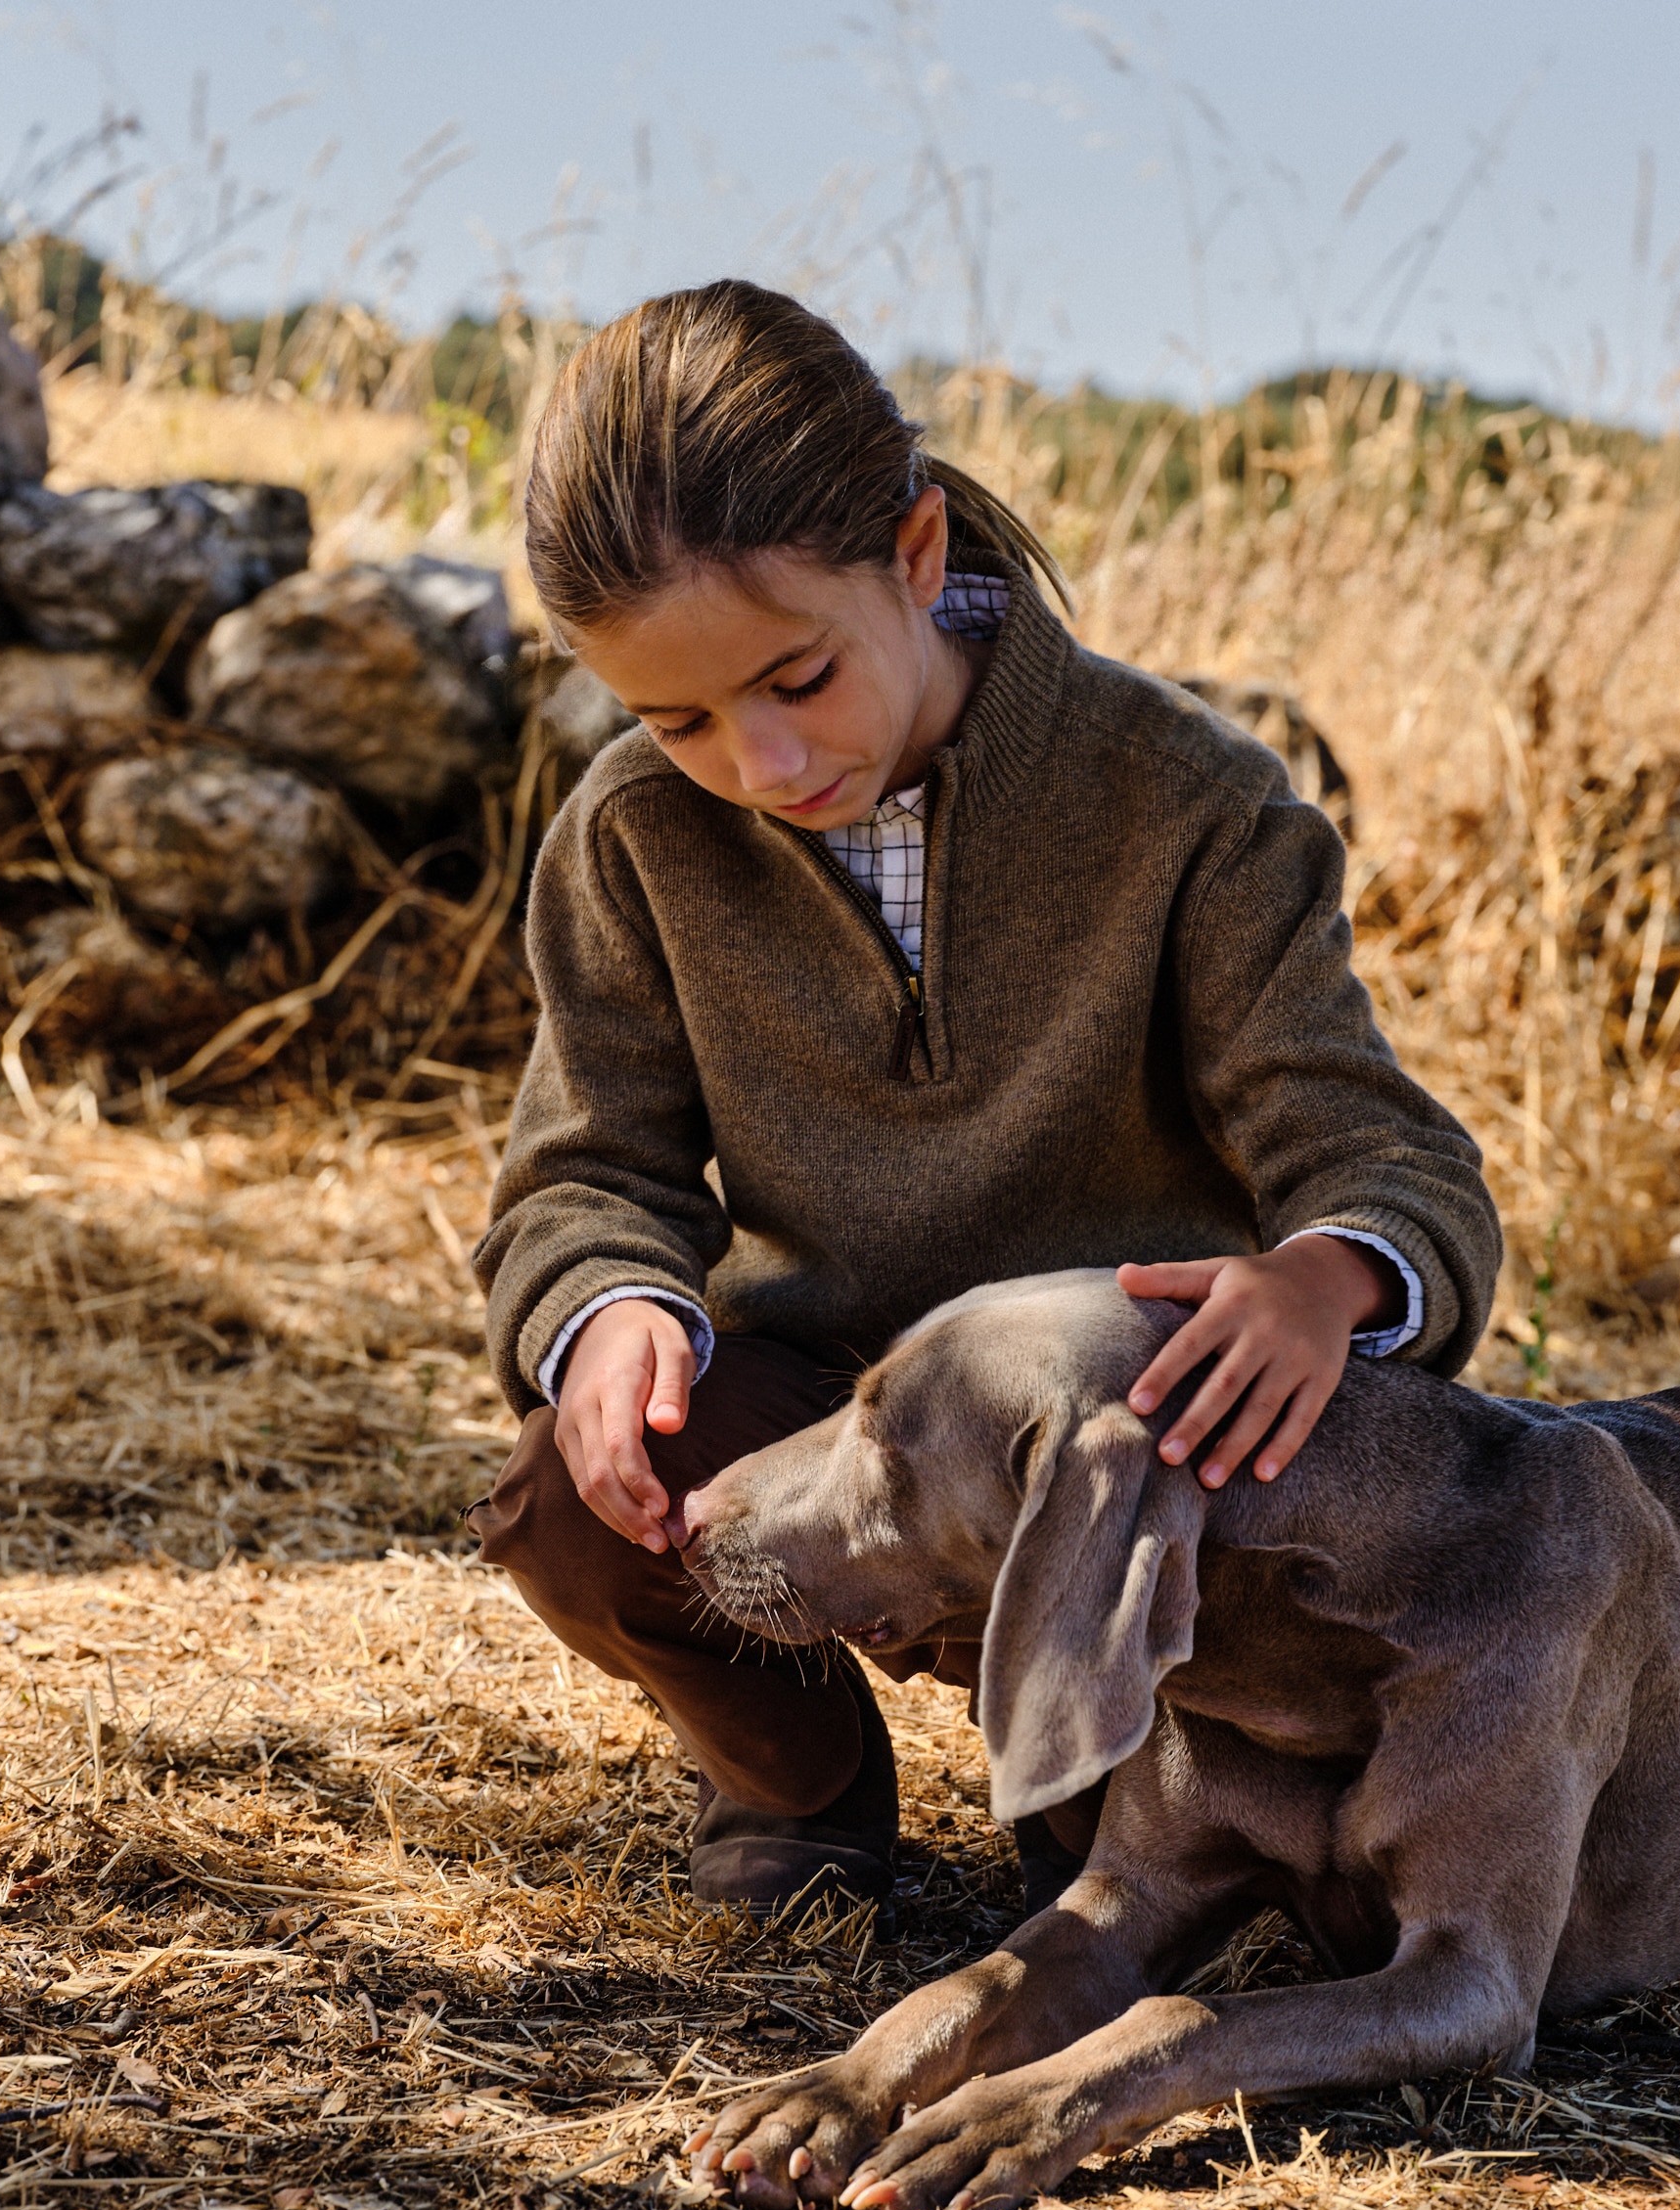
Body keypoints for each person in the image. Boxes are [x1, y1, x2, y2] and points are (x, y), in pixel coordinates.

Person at [469, 279, 1502, 1919]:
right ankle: (797, 1793)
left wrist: (1327, 1276)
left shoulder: (1192, 800)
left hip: (1121, 1460)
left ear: (920, 555)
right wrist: (603, 1309)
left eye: (798, 677)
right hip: (837, 1438)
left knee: (1157, 1905)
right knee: (569, 1494)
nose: (763, 760)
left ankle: (1116, 1783)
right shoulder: (629, 836)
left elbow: (1383, 1156)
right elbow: (586, 1173)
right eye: (677, 717)